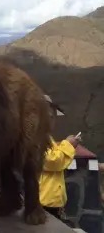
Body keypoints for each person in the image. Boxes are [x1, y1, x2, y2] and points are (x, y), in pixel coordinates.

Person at [39, 94, 80, 224]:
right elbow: (52, 161)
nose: (52, 119)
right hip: (42, 202)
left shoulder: (45, 137)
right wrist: (68, 145)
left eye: (53, 116)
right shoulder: (36, 136)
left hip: (50, 202)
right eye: (49, 115)